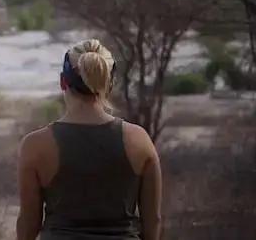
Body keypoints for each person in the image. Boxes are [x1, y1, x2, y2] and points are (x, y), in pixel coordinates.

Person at [16, 39, 162, 240]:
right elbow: (153, 220)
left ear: (62, 82)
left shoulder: (36, 145)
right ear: (109, 84)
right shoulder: (139, 140)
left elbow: (28, 223)